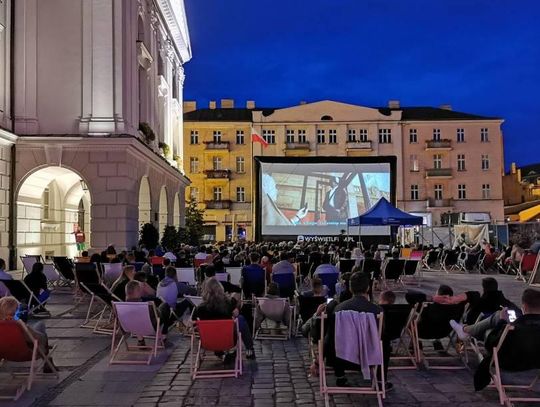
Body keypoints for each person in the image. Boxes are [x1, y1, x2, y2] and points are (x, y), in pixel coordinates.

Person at [449, 288, 540, 390]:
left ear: (524, 306)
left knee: (489, 330)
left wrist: (501, 322)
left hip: (509, 362)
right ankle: (466, 331)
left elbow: (491, 345)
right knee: (494, 323)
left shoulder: (514, 328)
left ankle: (466, 331)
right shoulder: (519, 326)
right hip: (536, 362)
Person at [325, 272, 391, 390]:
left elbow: (330, 338)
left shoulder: (338, 309)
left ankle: (340, 376)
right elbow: (381, 335)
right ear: (368, 288)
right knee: (384, 342)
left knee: (334, 337)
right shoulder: (377, 310)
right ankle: (381, 380)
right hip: (370, 357)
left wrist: (317, 362)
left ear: (350, 288)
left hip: (342, 356)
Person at [192, 278, 255, 359]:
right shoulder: (228, 304)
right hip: (228, 340)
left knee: (213, 329)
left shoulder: (199, 308)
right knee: (240, 318)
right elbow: (236, 314)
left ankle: (221, 354)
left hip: (208, 342)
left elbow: (193, 324)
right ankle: (249, 349)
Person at [0, 296, 57, 373]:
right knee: (40, 327)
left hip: (4, 353)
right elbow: (35, 338)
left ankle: (48, 361)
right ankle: (47, 361)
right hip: (23, 353)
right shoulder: (17, 324)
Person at [432, 277, 516, 324]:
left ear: (484, 288)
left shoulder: (479, 302)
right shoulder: (504, 302)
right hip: (494, 327)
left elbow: (469, 318)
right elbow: (517, 311)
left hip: (474, 326)